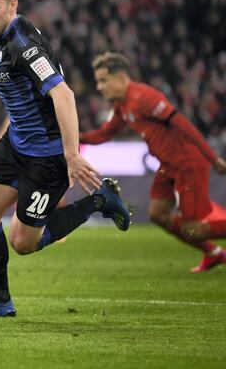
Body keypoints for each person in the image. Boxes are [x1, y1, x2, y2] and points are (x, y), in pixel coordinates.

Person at [0, 0, 133, 318]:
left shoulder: (24, 47)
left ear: (12, 5)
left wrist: (71, 156)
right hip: (16, 143)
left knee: (22, 243)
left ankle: (100, 200)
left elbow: (63, 94)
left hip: (46, 155)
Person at [81, 51, 226, 272]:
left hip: (188, 163)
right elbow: (104, 135)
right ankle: (214, 253)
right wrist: (73, 136)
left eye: (103, 80)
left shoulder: (143, 97)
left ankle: (212, 250)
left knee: (194, 229)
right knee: (158, 214)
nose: (99, 87)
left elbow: (183, 124)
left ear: (120, 77)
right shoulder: (122, 105)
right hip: (168, 166)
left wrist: (213, 158)